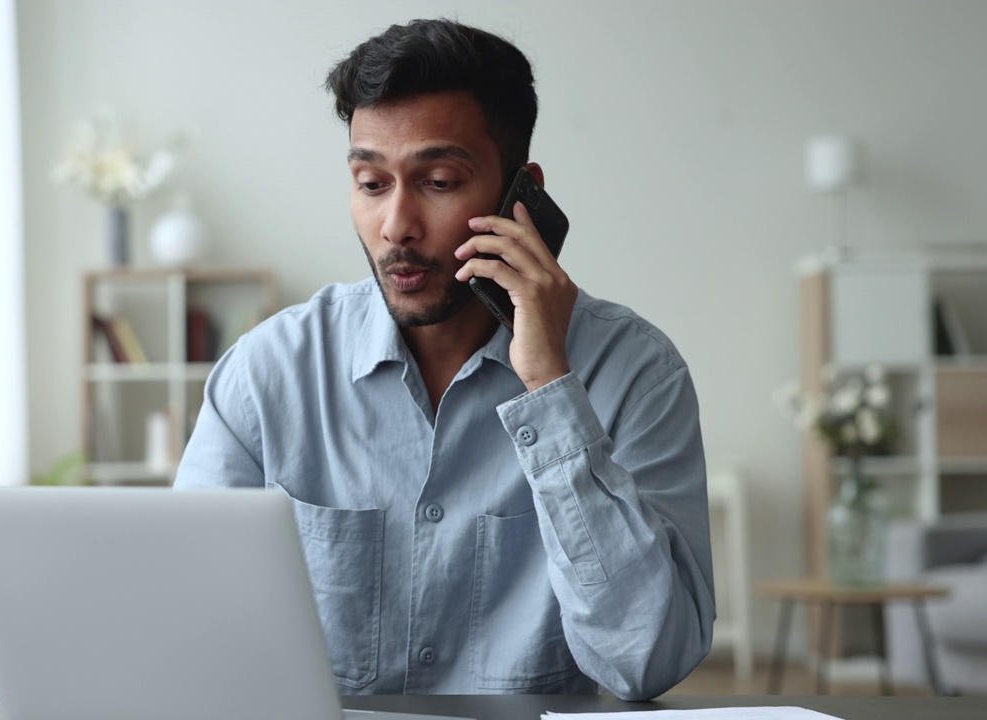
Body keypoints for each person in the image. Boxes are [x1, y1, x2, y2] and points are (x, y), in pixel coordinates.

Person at [175, 18, 714, 701]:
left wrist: (550, 389)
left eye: (436, 181)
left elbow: (646, 660)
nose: (396, 226)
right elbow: (186, 630)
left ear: (522, 194)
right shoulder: (266, 374)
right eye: (371, 184)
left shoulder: (636, 373)